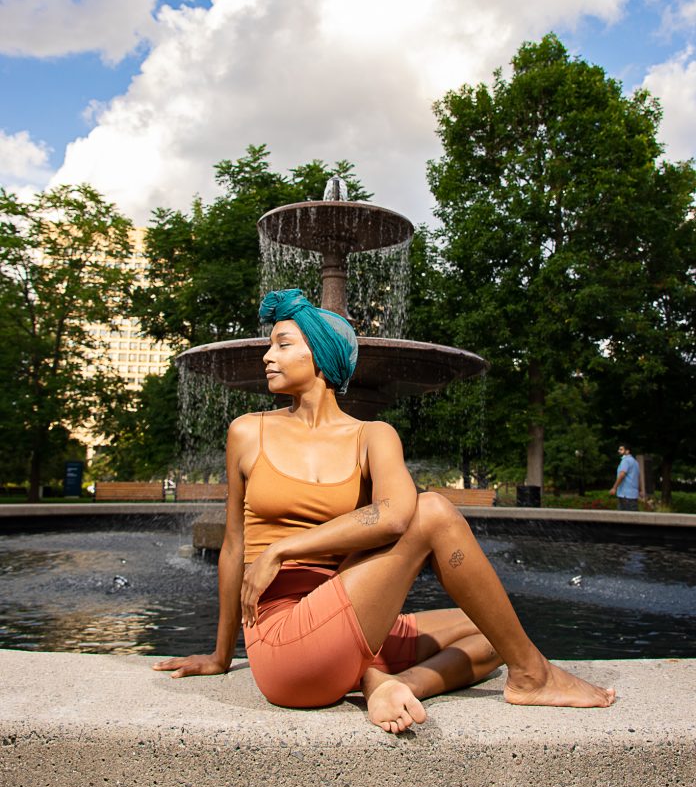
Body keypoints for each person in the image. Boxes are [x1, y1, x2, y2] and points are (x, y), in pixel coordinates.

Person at [153, 289, 615, 731]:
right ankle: (534, 676)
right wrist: (220, 655)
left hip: (343, 617)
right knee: (434, 509)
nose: (266, 356)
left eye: (282, 343)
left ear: (318, 354)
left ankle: (390, 683)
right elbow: (234, 547)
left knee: (493, 630)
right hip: (284, 643)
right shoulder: (247, 432)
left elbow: (395, 514)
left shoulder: (373, 436)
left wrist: (285, 547)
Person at [609, 444, 642, 511]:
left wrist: (614, 488)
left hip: (625, 495)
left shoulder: (625, 461)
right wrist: (640, 490)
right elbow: (638, 477)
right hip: (633, 495)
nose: (619, 451)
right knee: (633, 518)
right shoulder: (635, 462)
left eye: (621, 449)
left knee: (623, 518)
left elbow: (622, 475)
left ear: (627, 451)